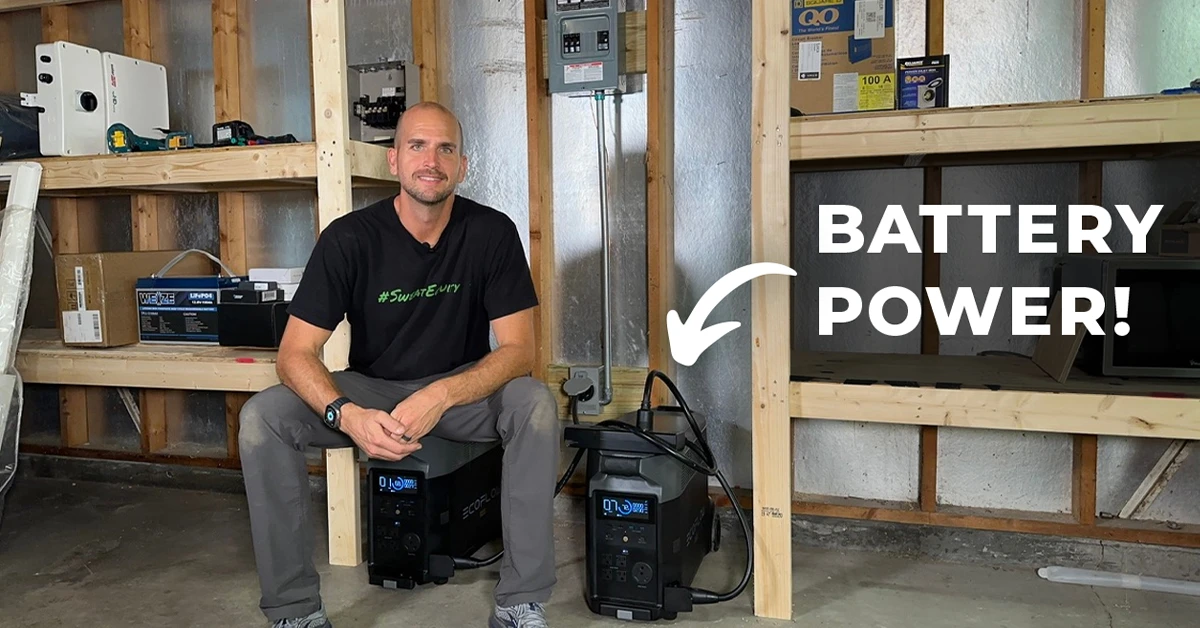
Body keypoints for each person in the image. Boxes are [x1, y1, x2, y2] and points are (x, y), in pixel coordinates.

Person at [238, 101, 560, 628]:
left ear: (462, 165)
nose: (430, 160)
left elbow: (520, 350)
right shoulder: (349, 238)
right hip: (372, 391)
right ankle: (294, 610)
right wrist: (347, 414)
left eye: (445, 149)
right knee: (263, 418)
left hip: (462, 392)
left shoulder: (491, 233)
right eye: (416, 146)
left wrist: (443, 395)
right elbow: (293, 354)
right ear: (394, 160)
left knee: (535, 405)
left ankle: (520, 601)